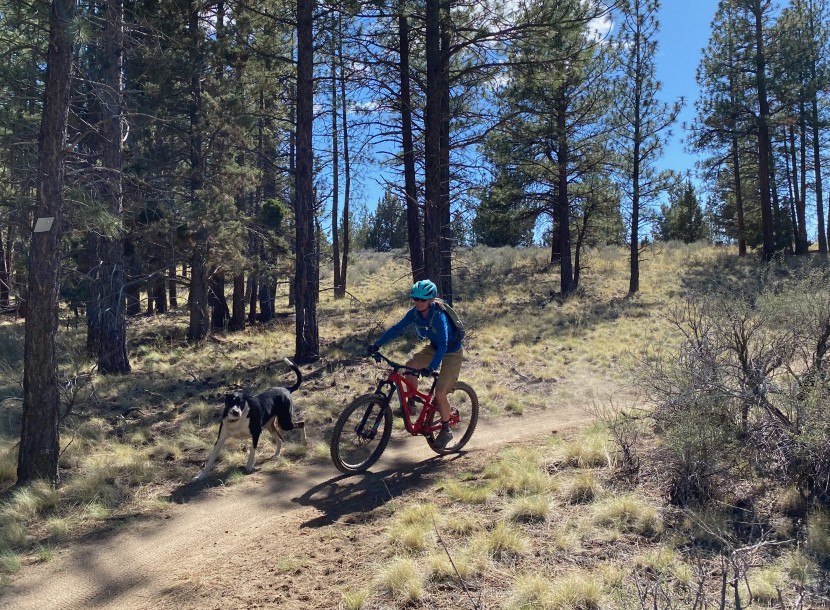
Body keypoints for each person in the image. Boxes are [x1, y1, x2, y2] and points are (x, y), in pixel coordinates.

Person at [368, 279, 464, 448]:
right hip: (434, 347)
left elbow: (444, 344)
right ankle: (411, 405)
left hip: (451, 351)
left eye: (422, 299)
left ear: (431, 300)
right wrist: (377, 344)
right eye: (415, 298)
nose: (418, 302)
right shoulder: (414, 313)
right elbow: (397, 328)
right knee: (410, 366)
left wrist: (432, 367)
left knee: (440, 393)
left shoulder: (439, 316)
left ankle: (446, 428)